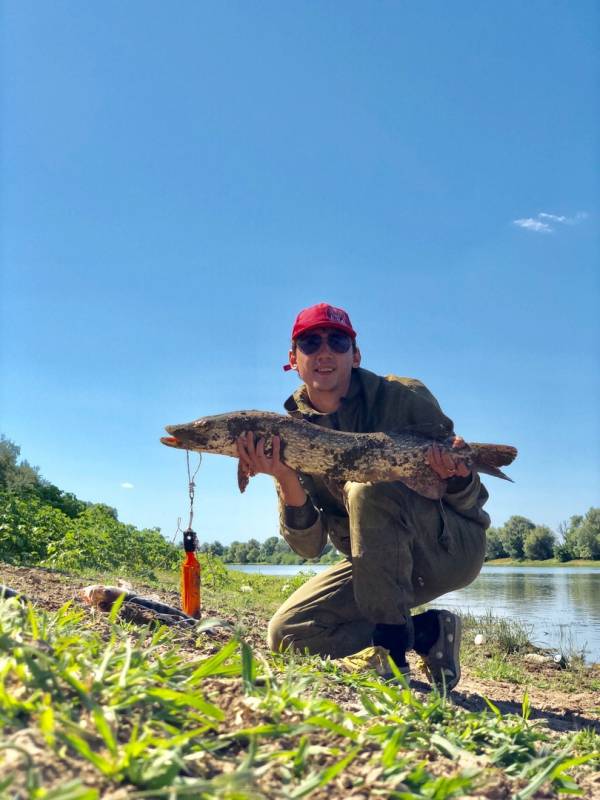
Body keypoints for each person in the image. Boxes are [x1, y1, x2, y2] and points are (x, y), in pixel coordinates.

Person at [236, 302, 490, 689]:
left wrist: (455, 476)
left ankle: (391, 656)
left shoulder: (401, 396)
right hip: (377, 567)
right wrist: (285, 475)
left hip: (446, 549)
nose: (324, 351)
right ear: (293, 358)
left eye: (337, 341)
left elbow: (471, 501)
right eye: (310, 342)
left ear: (355, 355)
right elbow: (309, 547)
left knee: (365, 487)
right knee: (288, 635)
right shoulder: (288, 434)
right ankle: (427, 632)